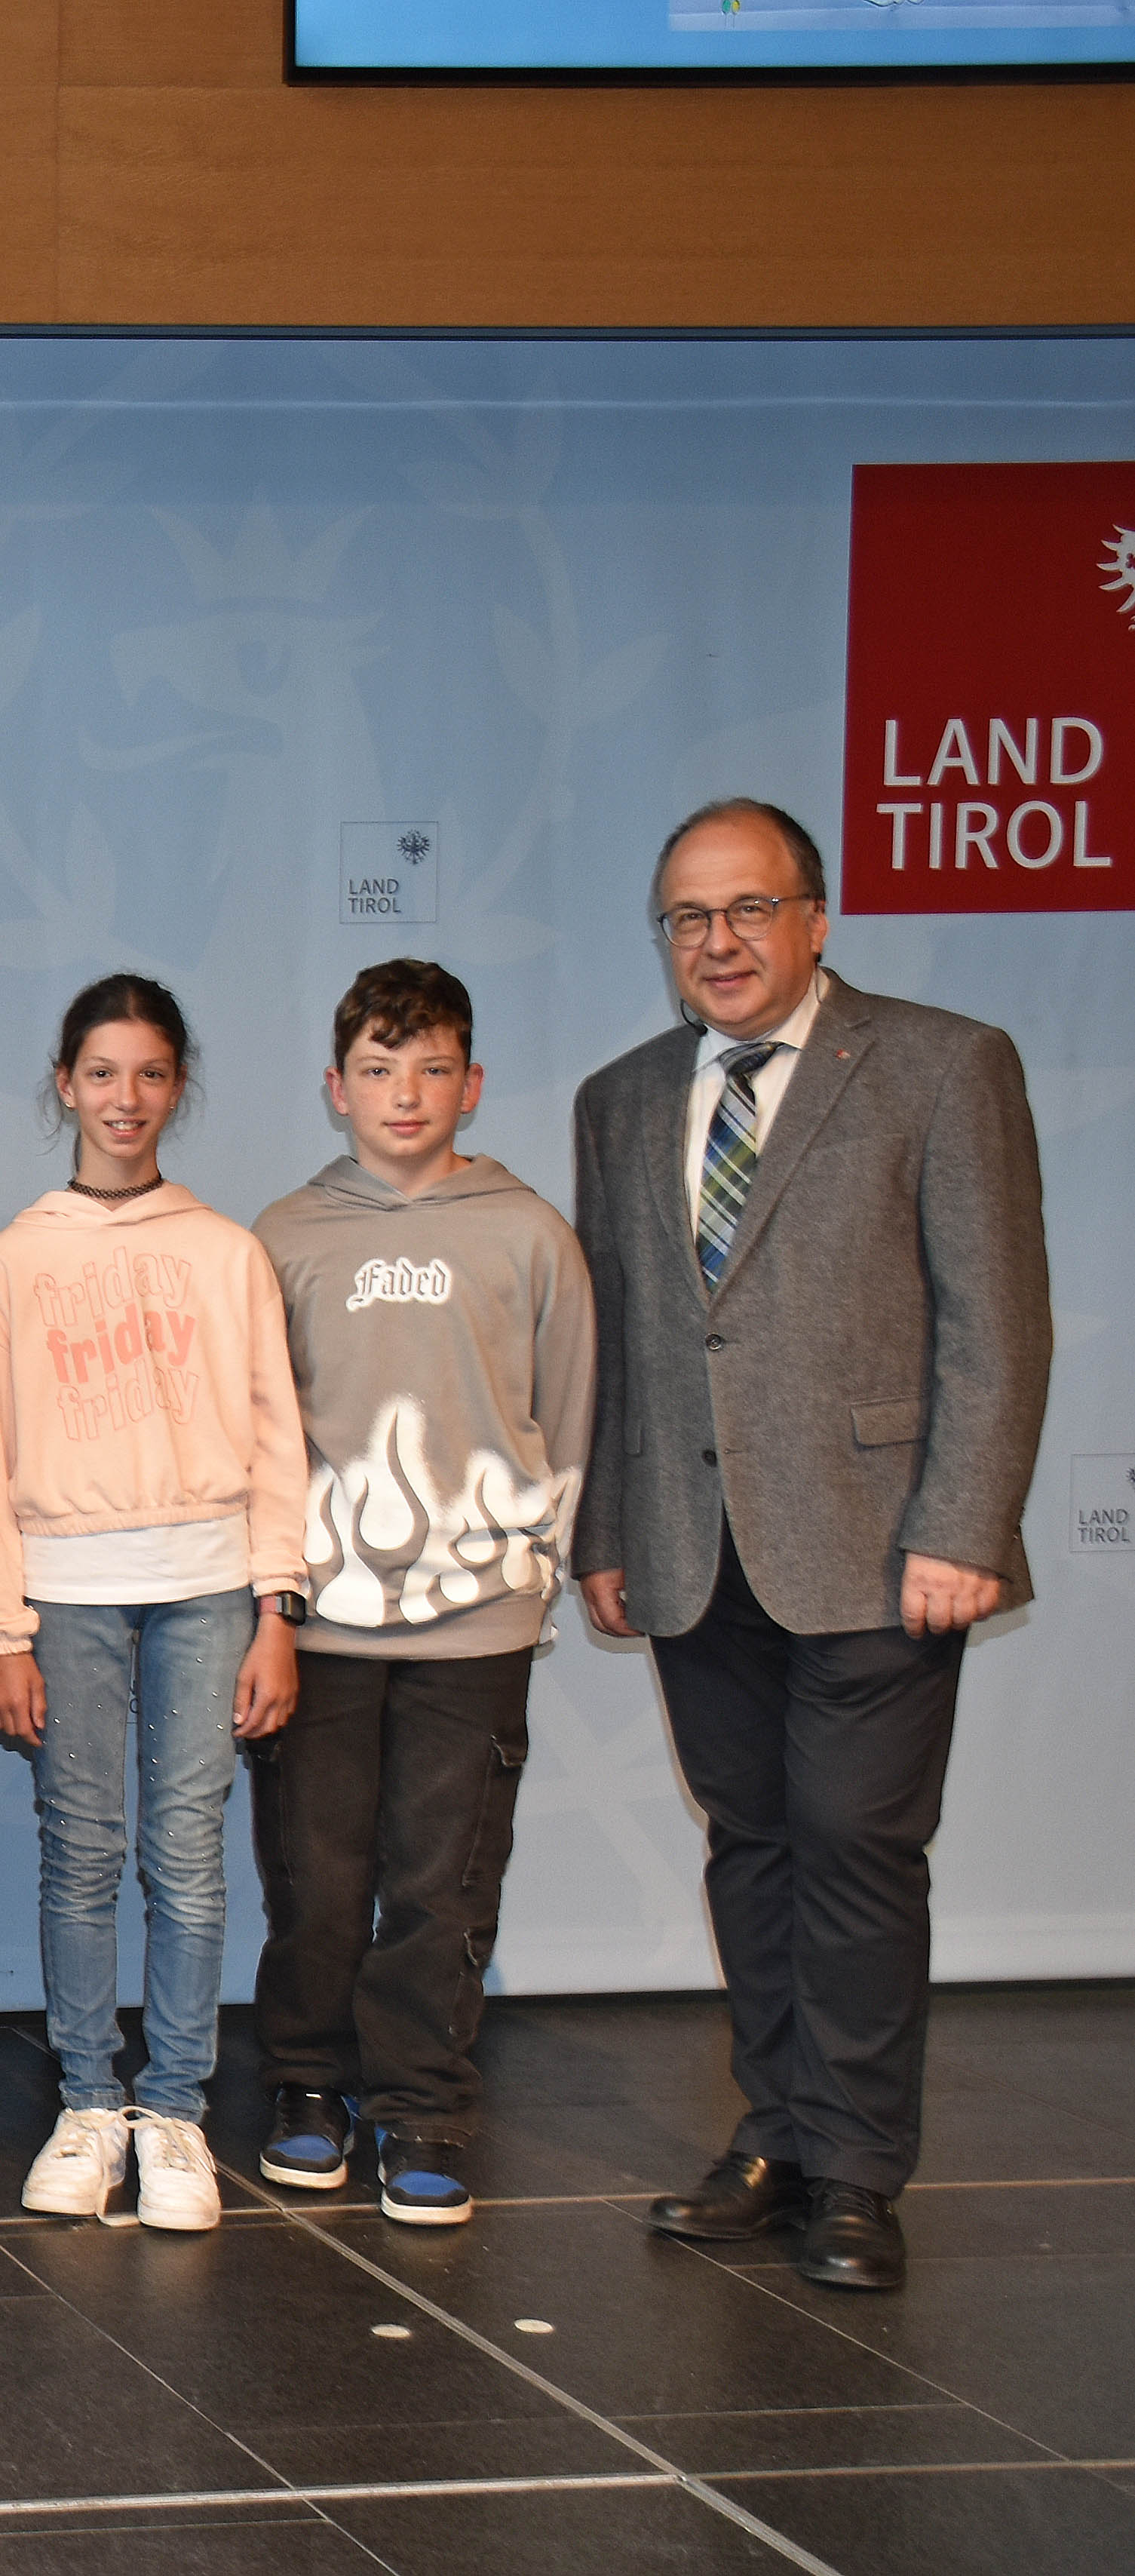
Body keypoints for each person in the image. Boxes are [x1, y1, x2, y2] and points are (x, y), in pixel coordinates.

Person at [575, 797, 1051, 2294]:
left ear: (813, 916)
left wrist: (962, 1523)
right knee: (752, 1849)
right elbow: (616, 1334)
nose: (713, 944)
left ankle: (851, 2169)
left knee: (853, 1849)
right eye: (684, 919)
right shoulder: (619, 1096)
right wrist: (602, 1524)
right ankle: (774, 2132)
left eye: (743, 910)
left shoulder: (937, 1063)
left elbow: (994, 1313)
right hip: (684, 1542)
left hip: (878, 1546)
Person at [0, 975, 305, 2235]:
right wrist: (0, 1631)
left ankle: (175, 2116)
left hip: (210, 1591)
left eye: (149, 1075)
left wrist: (279, 1606)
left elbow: (276, 1435)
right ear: (64, 1085)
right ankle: (89, 2105)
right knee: (83, 1854)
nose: (124, 1099)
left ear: (177, 1088)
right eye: (100, 1073)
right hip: (67, 1600)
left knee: (189, 1858)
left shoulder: (227, 1252)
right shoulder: (16, 1259)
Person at [247, 961, 594, 2231]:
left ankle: (422, 2105)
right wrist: (269, 1602)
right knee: (316, 1875)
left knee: (441, 1879)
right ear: (335, 1088)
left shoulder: (528, 1233)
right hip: (319, 1626)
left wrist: (535, 1566)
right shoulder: (282, 1237)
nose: (406, 1094)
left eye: (433, 1068)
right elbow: (257, 1430)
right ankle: (304, 2088)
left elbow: (570, 1412)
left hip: (477, 1623)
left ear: (473, 1085)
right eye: (380, 1070)